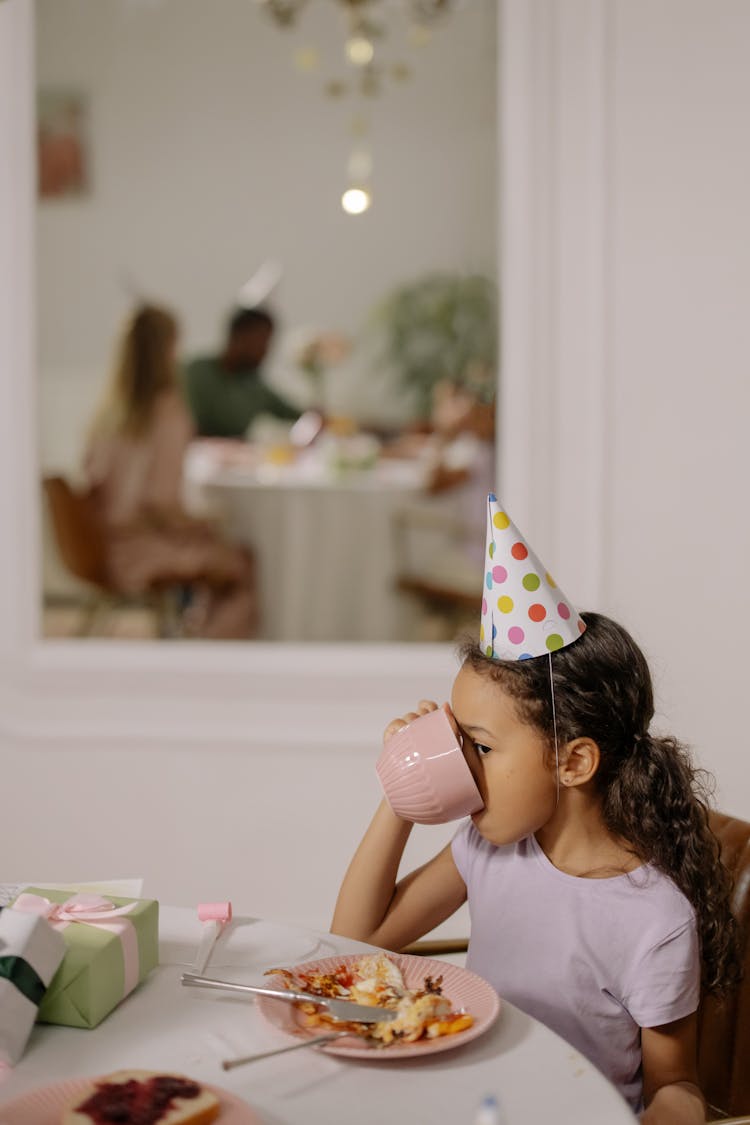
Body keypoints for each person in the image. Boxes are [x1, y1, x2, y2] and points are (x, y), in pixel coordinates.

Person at [332, 498, 740, 1123]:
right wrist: (402, 791)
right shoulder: (488, 848)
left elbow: (673, 1086)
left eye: (483, 747)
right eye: (458, 741)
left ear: (574, 763)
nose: (462, 764)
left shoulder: (653, 920)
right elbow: (354, 939)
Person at [84, 303, 257, 639]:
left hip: (105, 544)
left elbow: (95, 484)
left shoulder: (108, 414)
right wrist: (204, 524)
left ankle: (194, 638)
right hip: (141, 552)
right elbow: (159, 503)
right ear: (167, 349)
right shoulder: (168, 413)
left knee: (217, 549)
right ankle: (212, 659)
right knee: (244, 561)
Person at [183, 306, 300, 439]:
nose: (265, 351)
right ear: (237, 337)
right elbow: (189, 425)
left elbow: (289, 411)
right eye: (261, 342)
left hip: (237, 456)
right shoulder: (198, 372)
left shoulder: (253, 383)